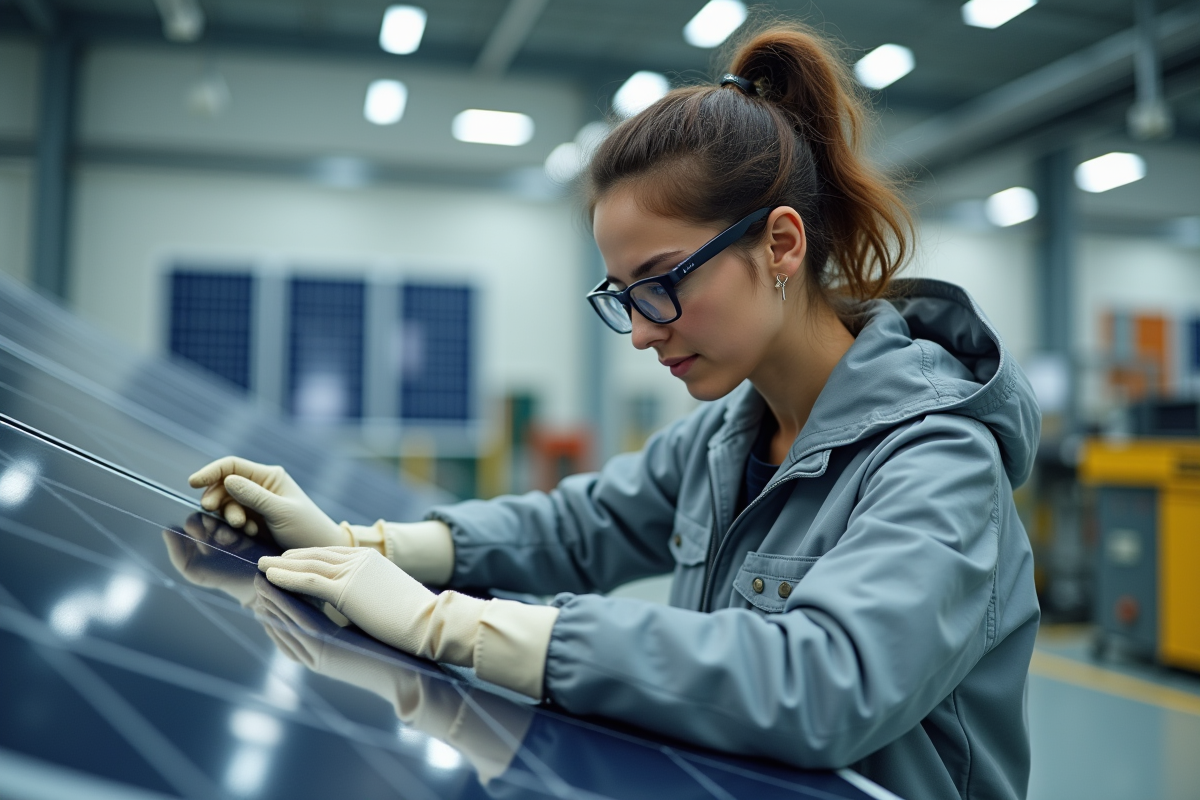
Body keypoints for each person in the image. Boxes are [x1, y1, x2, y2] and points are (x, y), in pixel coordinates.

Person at [188, 21, 1041, 800]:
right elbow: (577, 527)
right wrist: (364, 545)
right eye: (623, 296)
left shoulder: (937, 461)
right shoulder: (727, 436)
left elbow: (824, 684)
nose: (639, 333)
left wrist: (459, 625)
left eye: (663, 284)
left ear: (781, 243)